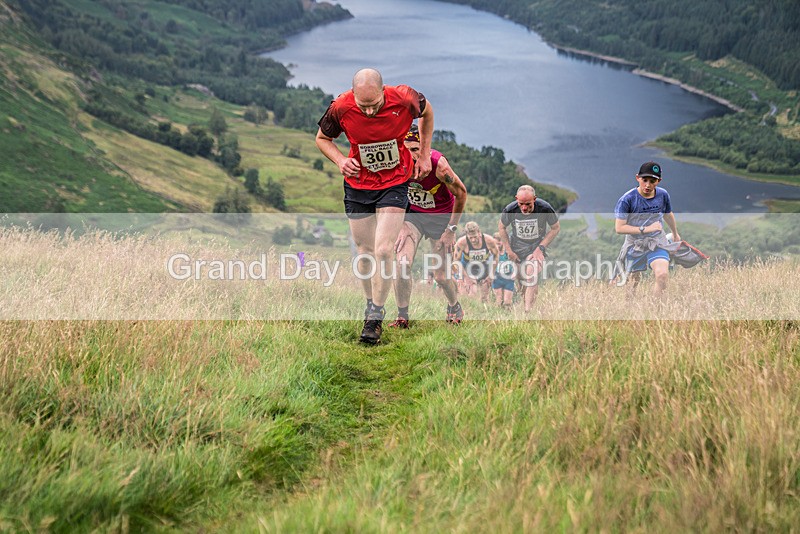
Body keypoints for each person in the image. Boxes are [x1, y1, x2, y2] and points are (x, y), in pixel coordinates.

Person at [315, 68, 434, 344]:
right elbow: (322, 140)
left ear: (384, 91)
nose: (368, 112)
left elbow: (428, 113)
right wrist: (341, 162)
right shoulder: (341, 107)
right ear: (352, 94)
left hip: (394, 182)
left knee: (383, 250)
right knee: (365, 252)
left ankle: (375, 318)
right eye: (363, 106)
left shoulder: (405, 98)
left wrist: (425, 154)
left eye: (375, 105)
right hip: (358, 185)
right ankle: (370, 304)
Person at [390, 125, 468, 327]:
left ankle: (454, 305)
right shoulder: (396, 163)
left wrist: (451, 230)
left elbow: (461, 194)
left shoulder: (439, 165)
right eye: (405, 149)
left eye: (415, 149)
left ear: (425, 147)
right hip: (413, 216)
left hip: (441, 219)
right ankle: (402, 316)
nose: (411, 155)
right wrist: (402, 222)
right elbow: (391, 194)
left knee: (441, 276)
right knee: (402, 264)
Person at [613, 161, 680, 298]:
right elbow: (619, 228)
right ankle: (630, 310)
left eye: (653, 181)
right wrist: (646, 229)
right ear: (638, 178)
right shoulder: (627, 199)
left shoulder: (663, 195)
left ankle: (655, 311)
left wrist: (675, 233)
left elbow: (668, 214)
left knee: (662, 275)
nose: (648, 185)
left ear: (659, 181)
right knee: (633, 283)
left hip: (657, 241)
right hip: (635, 245)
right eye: (645, 180)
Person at [498, 185, 560, 313]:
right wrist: (509, 250)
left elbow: (555, 228)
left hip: (535, 247)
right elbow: (501, 227)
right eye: (521, 204)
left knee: (531, 275)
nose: (524, 208)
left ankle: (528, 313)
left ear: (535, 199)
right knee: (522, 283)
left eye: (528, 204)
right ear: (516, 199)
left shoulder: (545, 208)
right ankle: (525, 304)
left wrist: (541, 248)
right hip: (516, 248)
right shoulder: (510, 209)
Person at [454, 221, 500, 304]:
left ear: (479, 232)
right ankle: (468, 311)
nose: (473, 240)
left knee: (485, 296)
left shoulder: (489, 240)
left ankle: (484, 313)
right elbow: (456, 261)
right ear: (467, 235)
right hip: (468, 267)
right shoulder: (461, 242)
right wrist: (466, 277)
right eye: (470, 237)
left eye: (475, 237)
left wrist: (491, 274)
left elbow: (496, 256)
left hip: (484, 266)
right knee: (472, 293)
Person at [491, 233, 516, 308]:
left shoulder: (508, 252)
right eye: (495, 244)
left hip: (508, 278)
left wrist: (514, 273)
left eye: (499, 243)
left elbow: (515, 262)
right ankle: (498, 317)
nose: (497, 246)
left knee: (507, 302)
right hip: (497, 278)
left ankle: (508, 316)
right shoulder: (492, 253)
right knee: (498, 301)